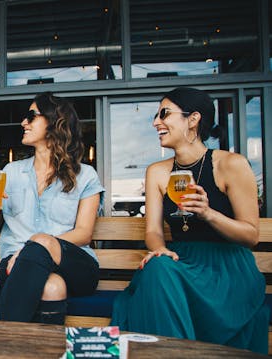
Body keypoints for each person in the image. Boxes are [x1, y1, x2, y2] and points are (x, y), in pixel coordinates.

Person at [111, 87, 269, 354]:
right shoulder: (157, 172)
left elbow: (251, 236)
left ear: (193, 119)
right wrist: (159, 249)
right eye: (156, 115)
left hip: (227, 269)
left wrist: (209, 214)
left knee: (158, 275)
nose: (155, 122)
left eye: (164, 114)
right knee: (158, 268)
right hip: (179, 262)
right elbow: (153, 231)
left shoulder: (230, 164)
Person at [0, 92, 104, 324]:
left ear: (54, 121)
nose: (23, 122)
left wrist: (33, 247)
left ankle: (3, 341)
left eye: (31, 116)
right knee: (52, 287)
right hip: (15, 268)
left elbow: (84, 233)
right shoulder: (10, 172)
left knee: (41, 241)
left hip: (73, 265)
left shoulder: (85, 175)